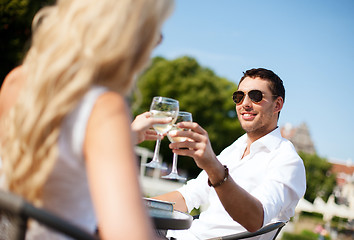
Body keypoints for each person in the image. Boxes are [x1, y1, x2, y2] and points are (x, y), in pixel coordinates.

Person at [0, 0, 174, 239]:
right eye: (156, 29)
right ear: (130, 32)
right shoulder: (105, 106)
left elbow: (59, 149)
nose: (159, 42)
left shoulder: (15, 81)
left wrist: (128, 134)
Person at [155, 68, 306, 239]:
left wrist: (213, 166)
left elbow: (255, 219)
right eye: (239, 97)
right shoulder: (236, 147)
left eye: (256, 96)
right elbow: (189, 196)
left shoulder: (286, 160)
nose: (245, 104)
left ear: (277, 105)